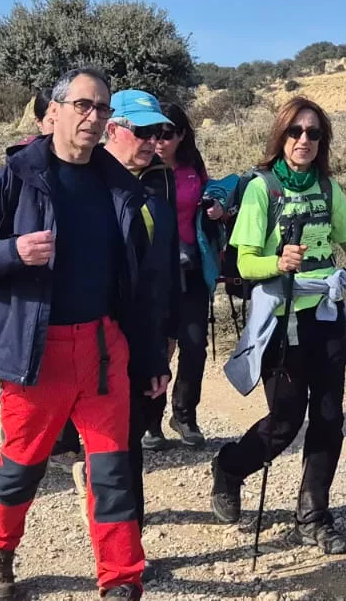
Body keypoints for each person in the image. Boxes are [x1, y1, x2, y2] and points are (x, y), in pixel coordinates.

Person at [0, 66, 175, 601]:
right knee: (21, 465)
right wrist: (13, 252)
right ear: (56, 111)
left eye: (101, 108)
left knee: (114, 470)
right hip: (36, 348)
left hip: (101, 350)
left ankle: (121, 578)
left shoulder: (119, 187)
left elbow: (138, 288)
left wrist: (148, 359)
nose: (92, 118)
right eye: (82, 105)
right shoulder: (17, 176)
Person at [209, 96, 346, 555]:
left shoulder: (327, 188)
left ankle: (313, 517)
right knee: (284, 422)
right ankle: (231, 467)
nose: (304, 140)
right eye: (295, 131)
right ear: (281, 136)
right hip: (281, 323)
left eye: (314, 133)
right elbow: (242, 262)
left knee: (330, 419)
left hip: (327, 318)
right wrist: (277, 261)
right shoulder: (261, 188)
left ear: (323, 141)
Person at [101, 89, 181, 453]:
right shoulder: (88, 182)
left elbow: (165, 262)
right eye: (143, 132)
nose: (153, 142)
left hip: (149, 331)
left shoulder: (159, 181)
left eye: (158, 133)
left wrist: (170, 329)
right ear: (112, 128)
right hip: (100, 335)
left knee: (140, 419)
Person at [152, 101, 226, 448]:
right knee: (156, 348)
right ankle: (151, 421)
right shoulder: (141, 168)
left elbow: (214, 195)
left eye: (167, 134)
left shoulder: (193, 168)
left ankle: (184, 415)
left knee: (194, 346)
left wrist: (216, 209)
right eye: (153, 133)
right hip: (153, 274)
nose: (158, 141)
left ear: (182, 135)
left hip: (192, 270)